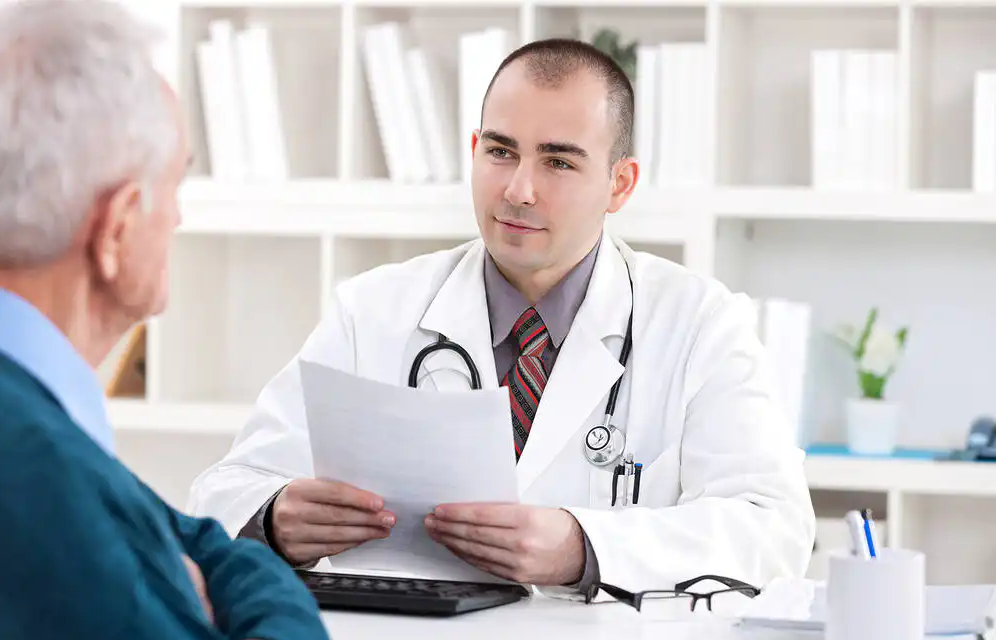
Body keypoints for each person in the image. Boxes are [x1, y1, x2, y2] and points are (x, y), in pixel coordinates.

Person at [187, 38, 816, 597]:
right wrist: (274, 516)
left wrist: (584, 546)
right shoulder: (372, 310)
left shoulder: (698, 322)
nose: (518, 189)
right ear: (474, 150)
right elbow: (223, 492)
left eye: (559, 161)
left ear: (620, 184)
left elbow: (774, 527)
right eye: (500, 151)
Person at [0, 1, 334, 640]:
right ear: (118, 226)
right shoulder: (38, 473)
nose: (177, 216)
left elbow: (196, 539)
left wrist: (197, 567)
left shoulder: (39, 426)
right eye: (175, 182)